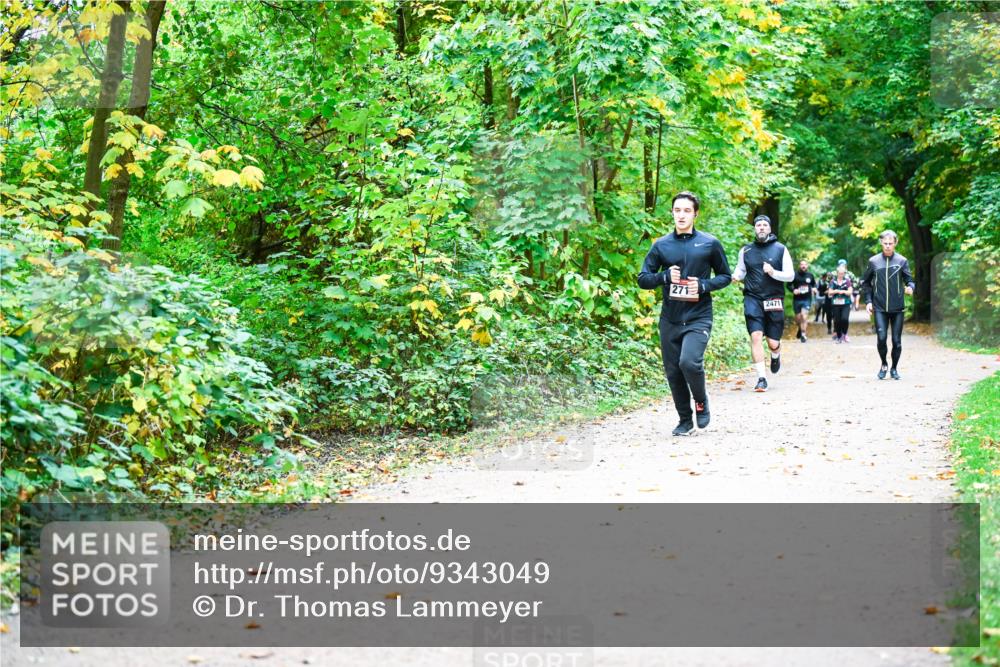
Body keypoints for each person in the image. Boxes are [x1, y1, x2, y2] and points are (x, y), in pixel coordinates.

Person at [638, 191, 732, 435]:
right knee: (673, 370)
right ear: (672, 213)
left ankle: (701, 401)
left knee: (689, 362)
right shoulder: (661, 245)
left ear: (695, 214)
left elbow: (725, 276)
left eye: (686, 211)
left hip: (699, 315)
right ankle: (684, 420)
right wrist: (664, 276)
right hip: (670, 318)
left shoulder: (710, 243)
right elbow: (643, 279)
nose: (681, 215)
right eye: (677, 210)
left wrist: (703, 285)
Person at [732, 215, 794, 392]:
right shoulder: (746, 251)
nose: (761, 227)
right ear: (754, 228)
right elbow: (741, 269)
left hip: (774, 299)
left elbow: (790, 275)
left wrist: (773, 272)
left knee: (772, 342)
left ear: (770, 228)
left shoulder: (780, 249)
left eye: (764, 225)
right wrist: (736, 276)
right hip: (753, 298)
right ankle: (761, 378)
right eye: (758, 225)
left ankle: (776, 353)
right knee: (756, 336)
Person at [862, 230, 915, 380]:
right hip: (879, 307)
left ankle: (894, 369)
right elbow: (866, 283)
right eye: (885, 243)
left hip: (898, 308)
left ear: (895, 243)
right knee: (881, 338)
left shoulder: (902, 261)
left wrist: (911, 288)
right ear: (881, 243)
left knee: (896, 342)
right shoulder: (873, 261)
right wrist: (868, 301)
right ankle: (884, 364)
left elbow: (910, 280)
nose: (887, 246)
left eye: (890, 243)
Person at [788, 259, 816, 342]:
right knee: (798, 318)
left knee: (804, 316)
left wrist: (814, 288)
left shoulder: (810, 275)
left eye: (805, 264)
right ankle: (800, 329)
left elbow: (813, 284)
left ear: (807, 266)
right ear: (799, 266)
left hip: (807, 299)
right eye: (802, 264)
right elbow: (788, 285)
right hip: (797, 299)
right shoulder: (795, 275)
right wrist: (793, 290)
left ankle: (803, 334)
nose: (803, 266)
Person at [828, 260, 854, 343]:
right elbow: (830, 292)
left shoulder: (847, 281)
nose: (841, 274)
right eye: (839, 273)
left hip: (846, 303)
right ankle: (839, 337)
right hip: (836, 303)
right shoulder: (833, 281)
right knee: (837, 321)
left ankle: (845, 334)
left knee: (844, 319)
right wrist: (836, 291)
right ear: (837, 273)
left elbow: (850, 292)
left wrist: (843, 292)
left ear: (844, 273)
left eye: (843, 273)